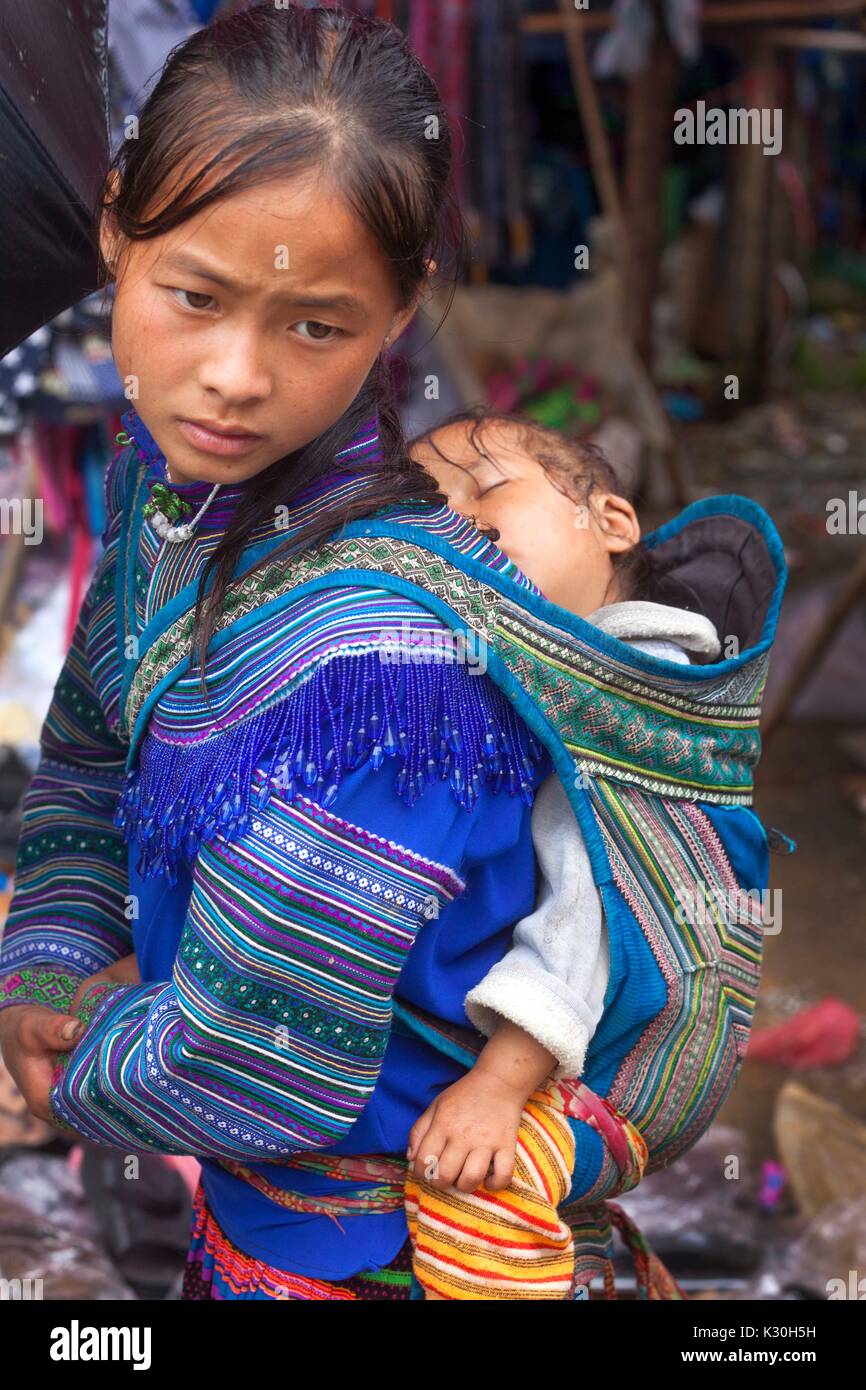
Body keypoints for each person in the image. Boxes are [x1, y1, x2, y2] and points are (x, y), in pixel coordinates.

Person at [0, 4, 551, 1301]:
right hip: (252, 1219)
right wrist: (55, 947)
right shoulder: (177, 500)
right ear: (115, 229)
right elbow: (86, 743)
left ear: (400, 307)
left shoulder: (381, 668)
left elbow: (252, 1067)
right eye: (193, 296)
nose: (233, 378)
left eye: (315, 324)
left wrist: (65, 1045)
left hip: (387, 1254)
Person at [402, 411, 722, 1299]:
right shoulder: (539, 671)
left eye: (489, 488)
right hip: (557, 1054)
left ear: (610, 523)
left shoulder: (628, 691)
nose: (458, 519)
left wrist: (499, 1089)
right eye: (430, 510)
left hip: (575, 1066)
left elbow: (594, 904)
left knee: (473, 1199)